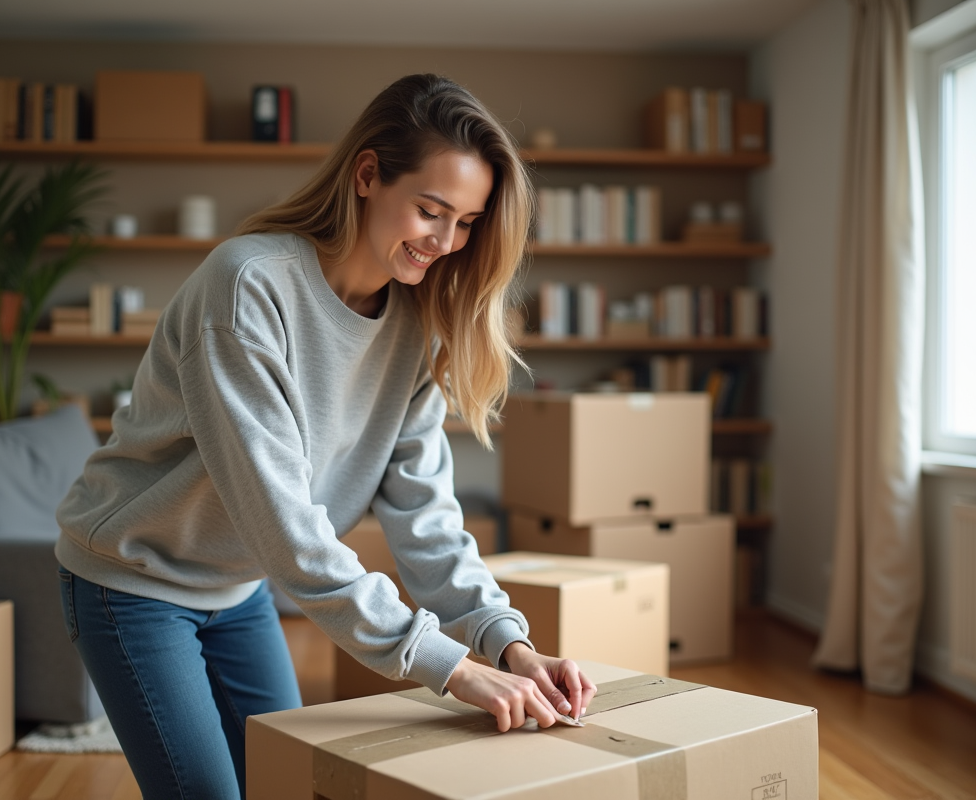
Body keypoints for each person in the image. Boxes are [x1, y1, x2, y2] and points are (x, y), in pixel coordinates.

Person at [54, 73, 596, 799]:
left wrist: (510, 645)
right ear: (368, 175)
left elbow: (427, 521)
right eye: (431, 210)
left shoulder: (413, 325)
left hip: (238, 584)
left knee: (283, 784)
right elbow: (285, 526)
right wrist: (453, 668)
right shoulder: (248, 286)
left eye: (465, 222)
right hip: (135, 580)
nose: (446, 241)